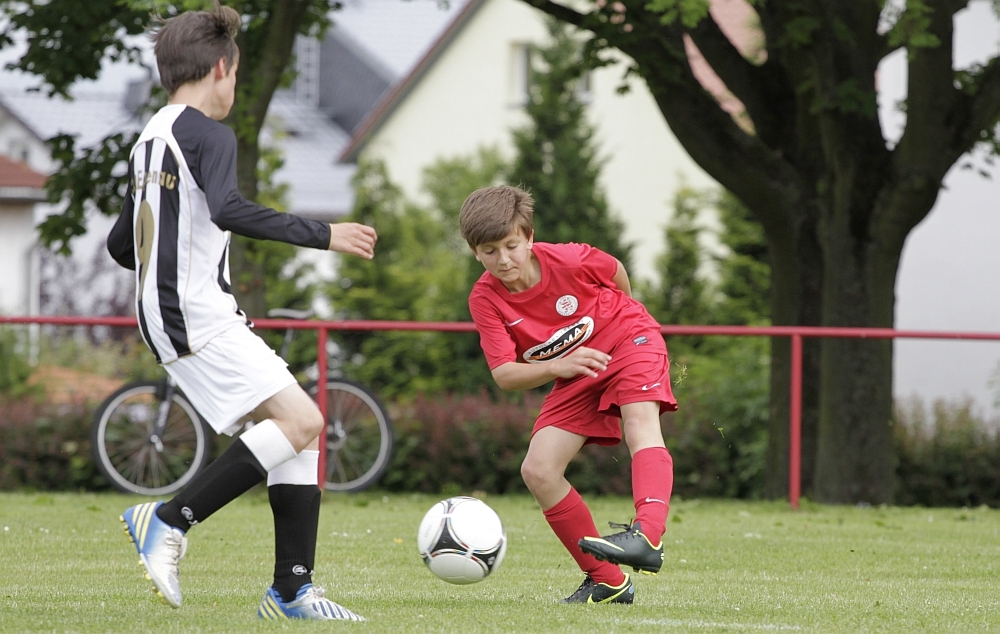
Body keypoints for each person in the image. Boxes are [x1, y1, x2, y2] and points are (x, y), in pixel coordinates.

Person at [106, 4, 375, 622]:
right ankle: (168, 519)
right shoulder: (208, 133)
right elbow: (227, 208)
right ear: (223, 69)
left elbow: (123, 246)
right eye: (237, 73)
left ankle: (291, 591)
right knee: (303, 420)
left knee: (297, 431)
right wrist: (324, 234)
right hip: (195, 312)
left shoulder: (150, 139)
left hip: (167, 312)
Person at [461, 185, 676, 604]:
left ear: (529, 237)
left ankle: (648, 535)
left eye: (511, 246)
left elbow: (616, 271)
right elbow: (504, 374)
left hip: (629, 339)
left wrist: (626, 316)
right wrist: (557, 367)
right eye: (490, 251)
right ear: (475, 252)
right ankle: (608, 581)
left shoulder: (570, 259)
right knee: (539, 470)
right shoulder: (485, 298)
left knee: (639, 422)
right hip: (575, 369)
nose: (503, 260)